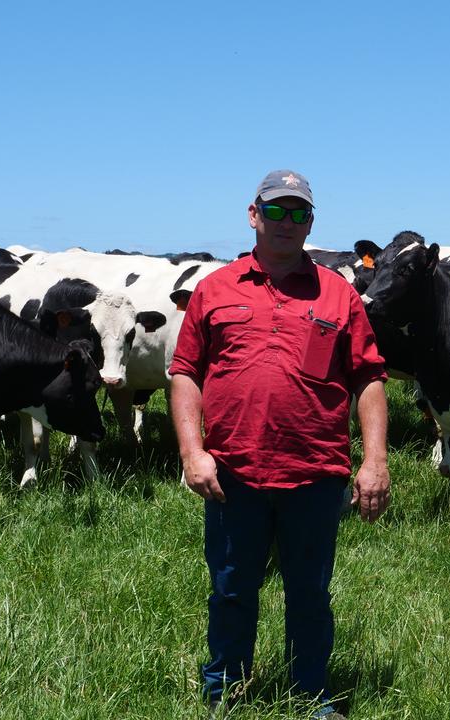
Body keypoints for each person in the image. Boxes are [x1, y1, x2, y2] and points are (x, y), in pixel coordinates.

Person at [169, 169, 390, 719]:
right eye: (276, 210)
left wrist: (375, 461)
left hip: (315, 471)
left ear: (311, 222)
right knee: (231, 587)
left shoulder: (339, 295)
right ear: (253, 214)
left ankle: (311, 693)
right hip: (232, 471)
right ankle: (225, 689)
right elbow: (184, 373)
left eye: (299, 213)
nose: (287, 222)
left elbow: (369, 378)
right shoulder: (215, 290)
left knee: (310, 592)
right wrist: (192, 452)